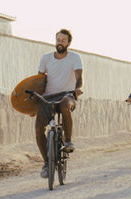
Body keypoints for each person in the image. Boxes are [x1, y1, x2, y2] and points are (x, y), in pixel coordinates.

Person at [36, 29, 83, 178]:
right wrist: (34, 103)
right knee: (38, 128)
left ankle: (68, 141)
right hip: (47, 97)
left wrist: (78, 89)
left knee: (64, 105)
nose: (60, 42)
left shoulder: (74, 57)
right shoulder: (46, 58)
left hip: (67, 95)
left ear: (68, 43)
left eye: (63, 40)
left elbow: (79, 77)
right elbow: (39, 81)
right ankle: (46, 163)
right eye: (58, 39)